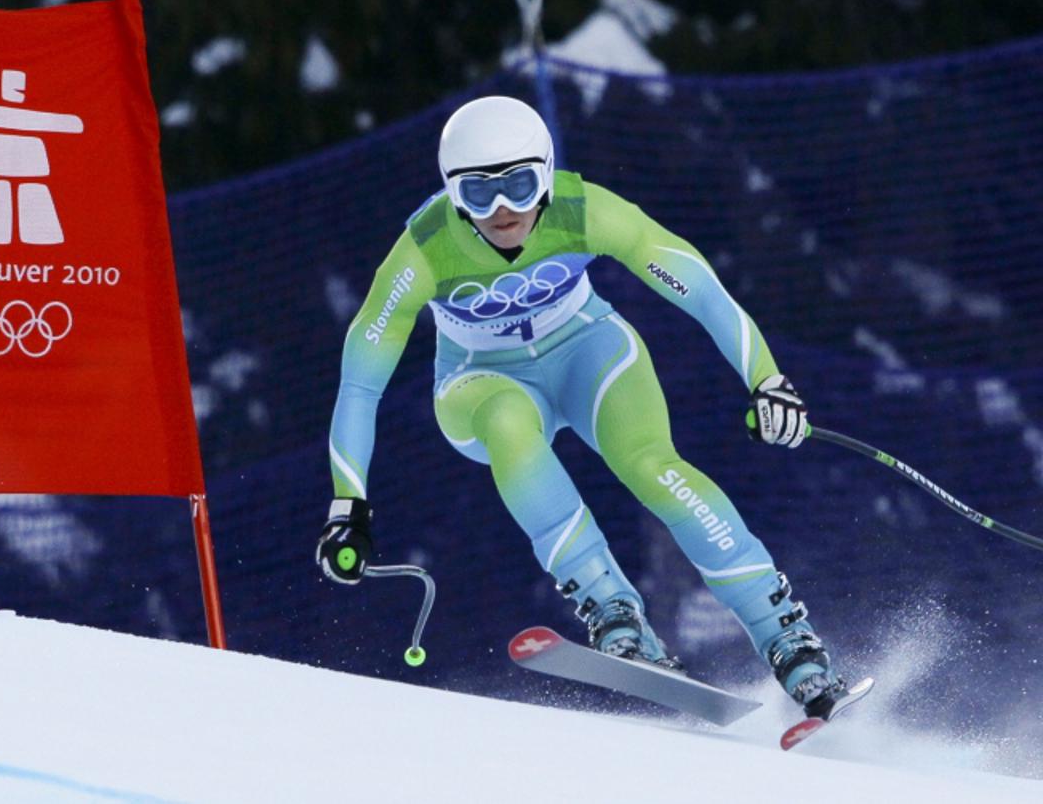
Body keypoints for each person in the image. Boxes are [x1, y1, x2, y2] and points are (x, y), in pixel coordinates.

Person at [317, 95, 848, 718]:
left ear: (546, 175)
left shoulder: (583, 209)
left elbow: (698, 287)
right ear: (451, 194)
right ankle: (610, 605)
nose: (505, 209)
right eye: (479, 194)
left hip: (587, 352)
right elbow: (359, 383)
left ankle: (785, 635)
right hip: (479, 382)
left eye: (520, 183)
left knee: (652, 465)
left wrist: (767, 381)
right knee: (510, 424)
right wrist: (346, 503)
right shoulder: (425, 249)